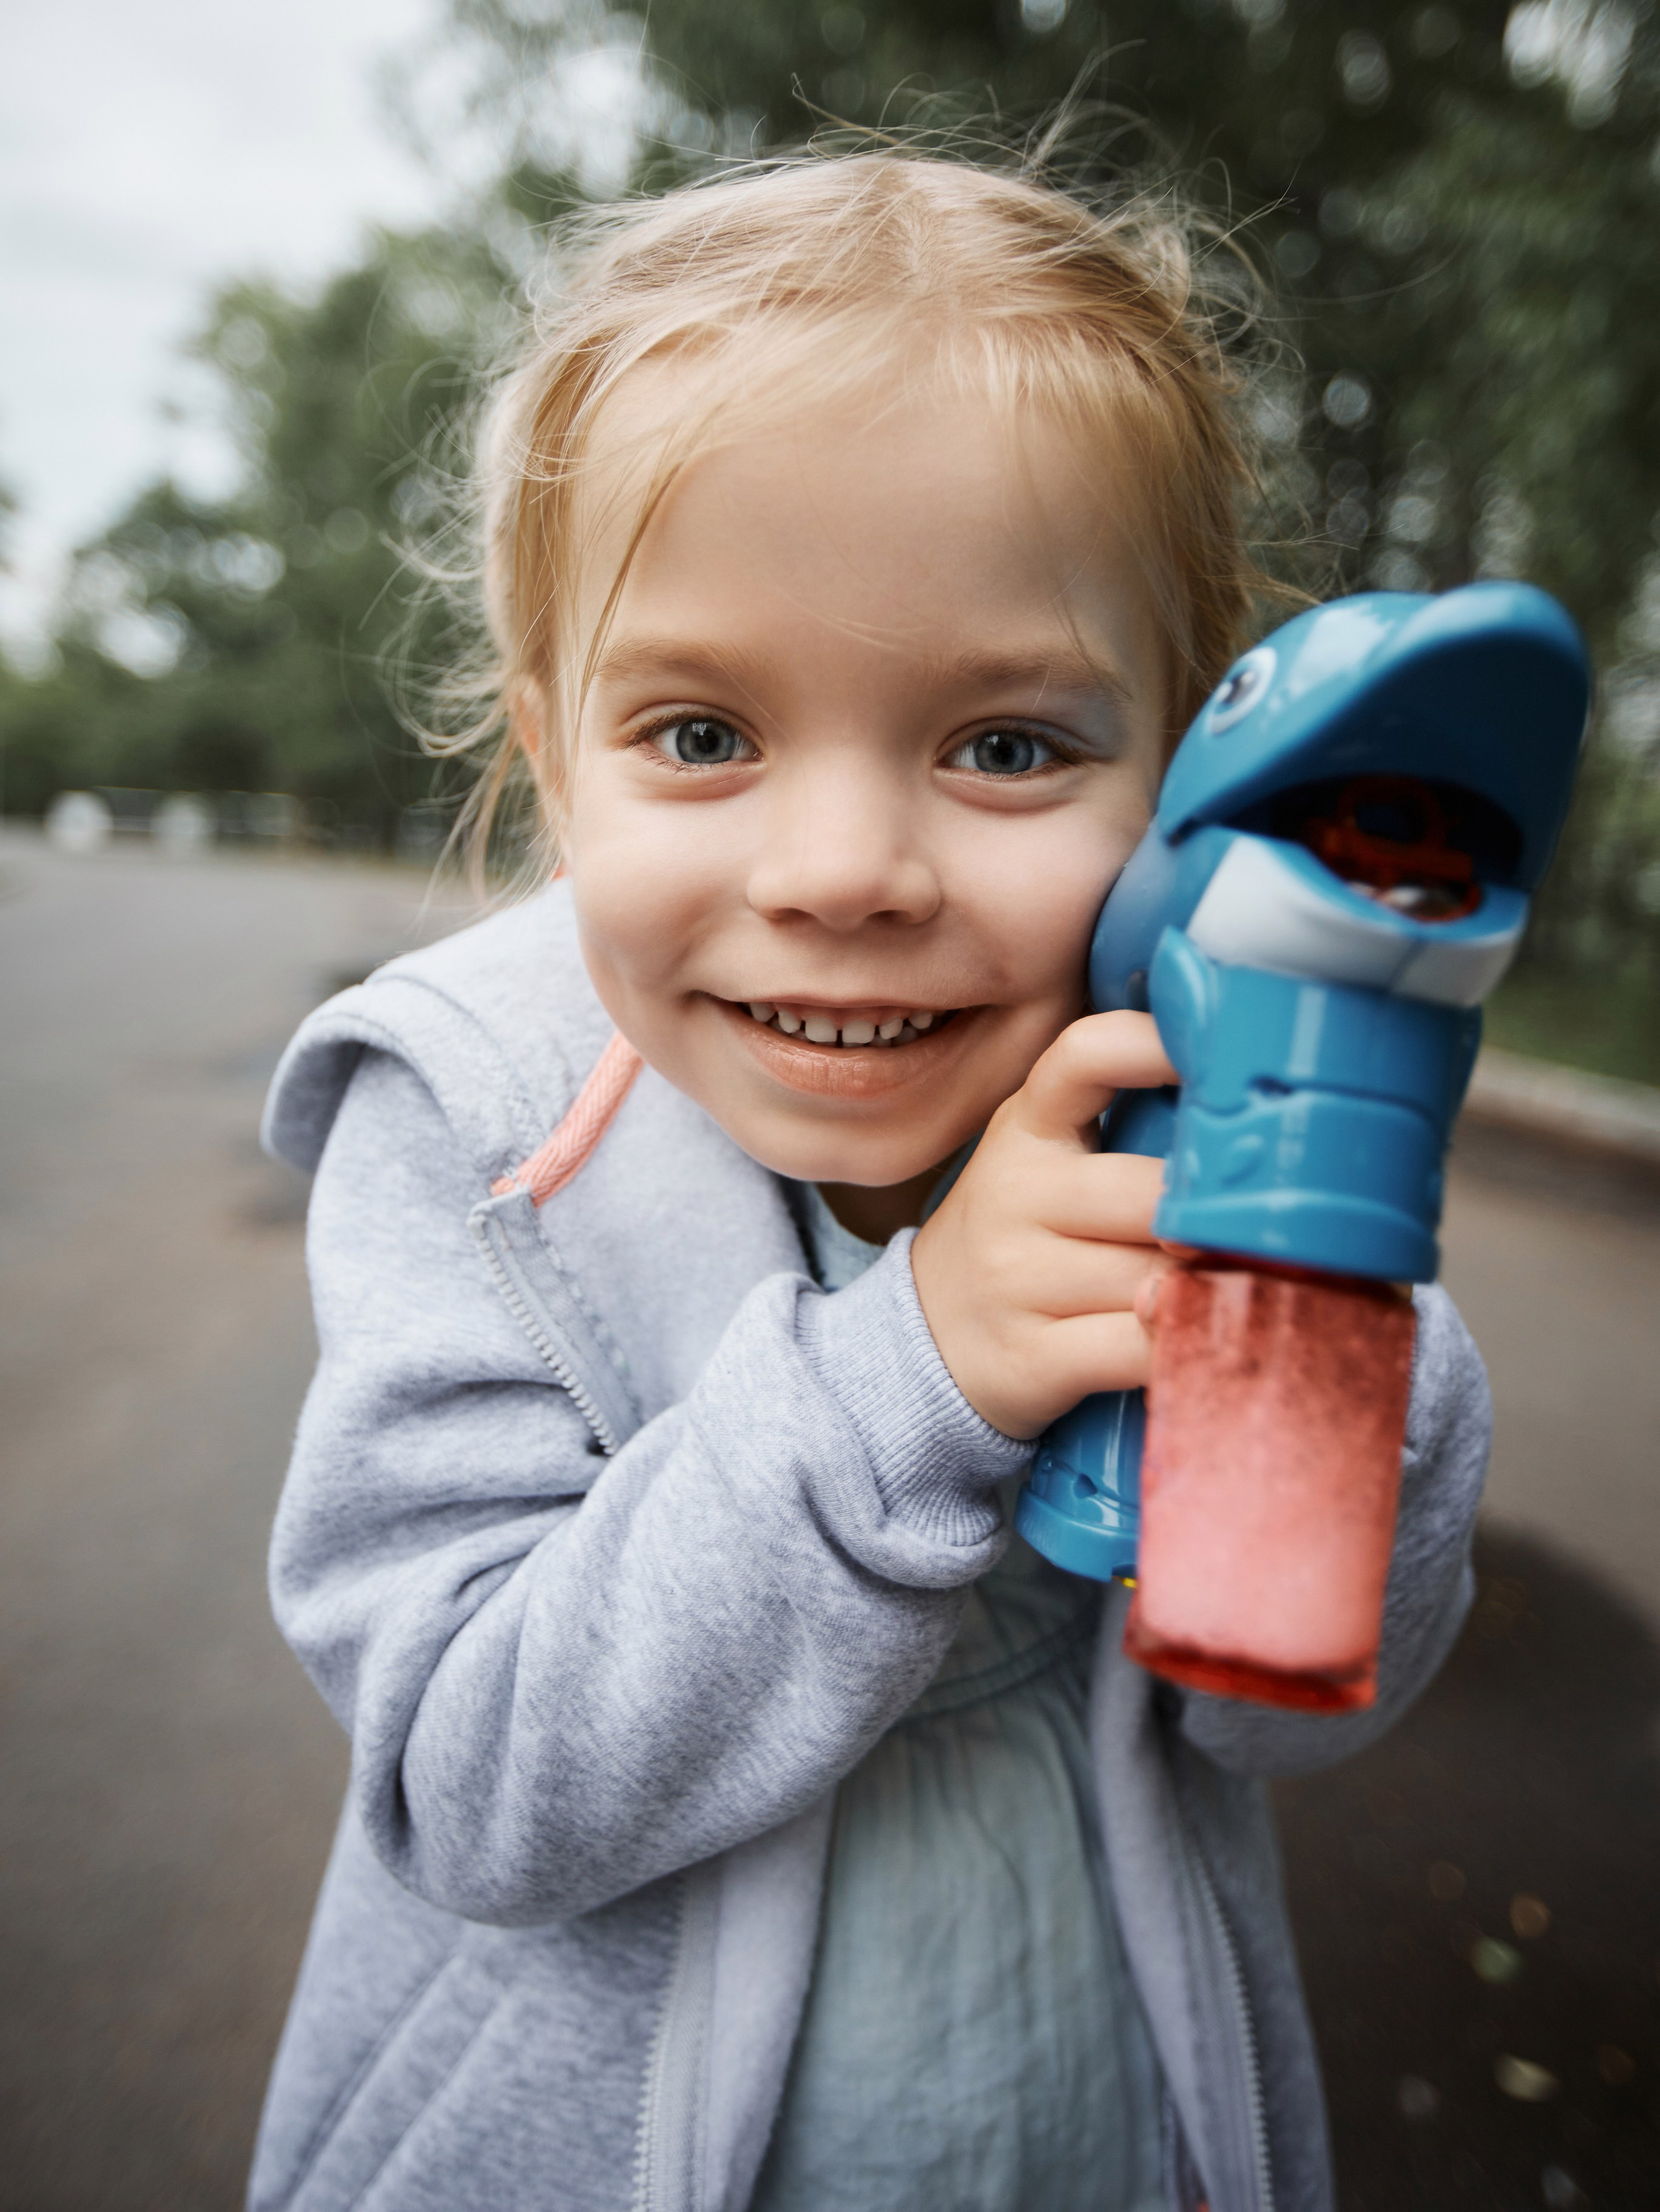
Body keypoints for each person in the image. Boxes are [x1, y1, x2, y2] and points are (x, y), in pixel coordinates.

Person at [250, 152, 1489, 2212]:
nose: (840, 873)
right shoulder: (477, 1128)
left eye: (1004, 747)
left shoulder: (1187, 1118)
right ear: (556, 760)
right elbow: (472, 1788)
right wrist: (915, 1373)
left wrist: (1334, 1362)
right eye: (703, 731)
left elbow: (1288, 1727)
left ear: (1184, 781)